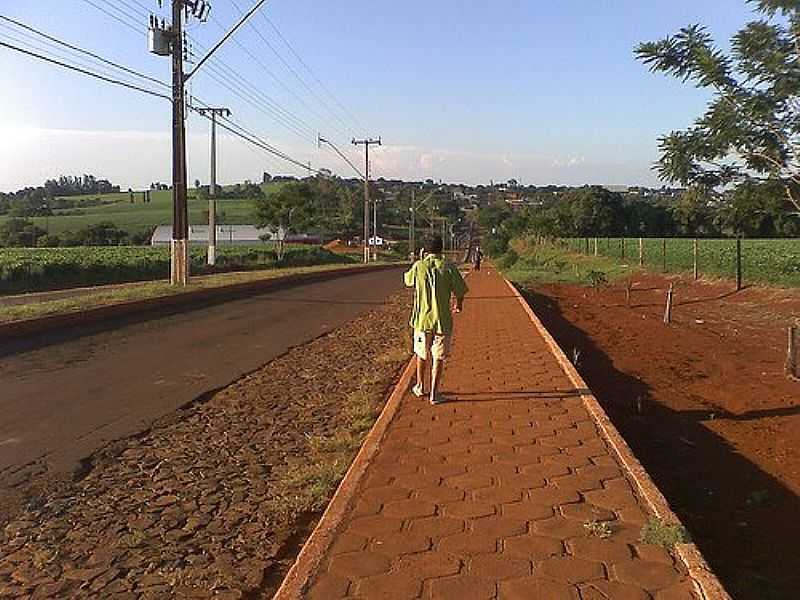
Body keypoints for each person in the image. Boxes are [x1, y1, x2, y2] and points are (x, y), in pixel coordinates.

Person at [404, 236, 468, 405]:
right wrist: (458, 304)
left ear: (424, 251)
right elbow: (460, 290)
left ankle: (419, 386)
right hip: (442, 320)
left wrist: (419, 260)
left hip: (422, 320)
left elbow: (408, 281)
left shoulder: (419, 266)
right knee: (438, 357)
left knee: (421, 354)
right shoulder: (448, 267)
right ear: (442, 249)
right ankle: (434, 393)